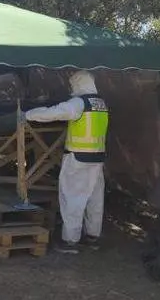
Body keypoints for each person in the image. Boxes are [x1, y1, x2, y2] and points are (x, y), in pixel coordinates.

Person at [23, 70, 109, 254]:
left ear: (78, 83)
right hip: (97, 158)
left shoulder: (79, 103)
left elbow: (55, 113)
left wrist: (28, 115)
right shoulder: (101, 103)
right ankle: (93, 236)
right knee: (95, 199)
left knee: (72, 198)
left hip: (78, 158)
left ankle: (70, 241)